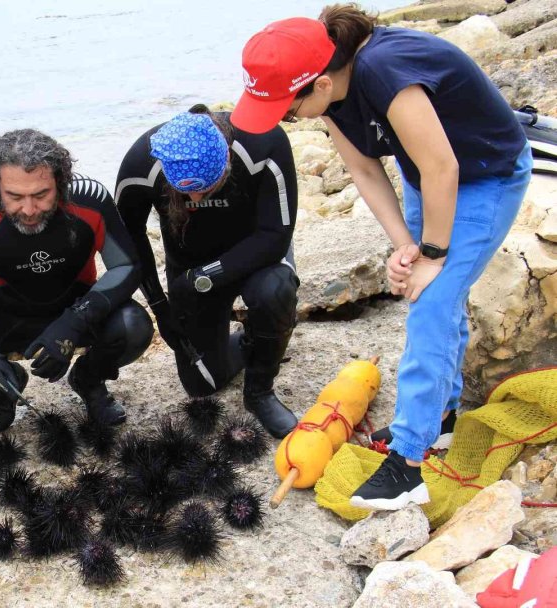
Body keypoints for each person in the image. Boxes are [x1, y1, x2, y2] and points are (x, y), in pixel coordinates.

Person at [232, 4, 532, 510]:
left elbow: (444, 167)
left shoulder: (385, 71)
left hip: (485, 176)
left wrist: (433, 255)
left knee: (433, 302)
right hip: (426, 178)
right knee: (434, 295)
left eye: (287, 108)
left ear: (320, 83)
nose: (286, 118)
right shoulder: (329, 94)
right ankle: (441, 419)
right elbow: (368, 173)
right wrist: (405, 246)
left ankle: (408, 466)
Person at [0, 129, 152, 433]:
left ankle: (89, 380)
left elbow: (126, 265)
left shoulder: (90, 201)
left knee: (134, 326)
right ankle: (5, 386)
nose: (28, 210)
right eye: (14, 197)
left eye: (41, 195)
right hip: (4, 311)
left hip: (76, 304)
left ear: (61, 183)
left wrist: (76, 322)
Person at [115, 106, 299, 439]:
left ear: (227, 158)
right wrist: (160, 307)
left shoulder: (263, 144)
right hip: (188, 261)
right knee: (201, 384)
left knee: (275, 291)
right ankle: (253, 341)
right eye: (183, 191)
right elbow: (129, 239)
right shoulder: (141, 162)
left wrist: (200, 279)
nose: (195, 197)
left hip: (258, 255)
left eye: (207, 186)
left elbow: (275, 237)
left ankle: (260, 392)